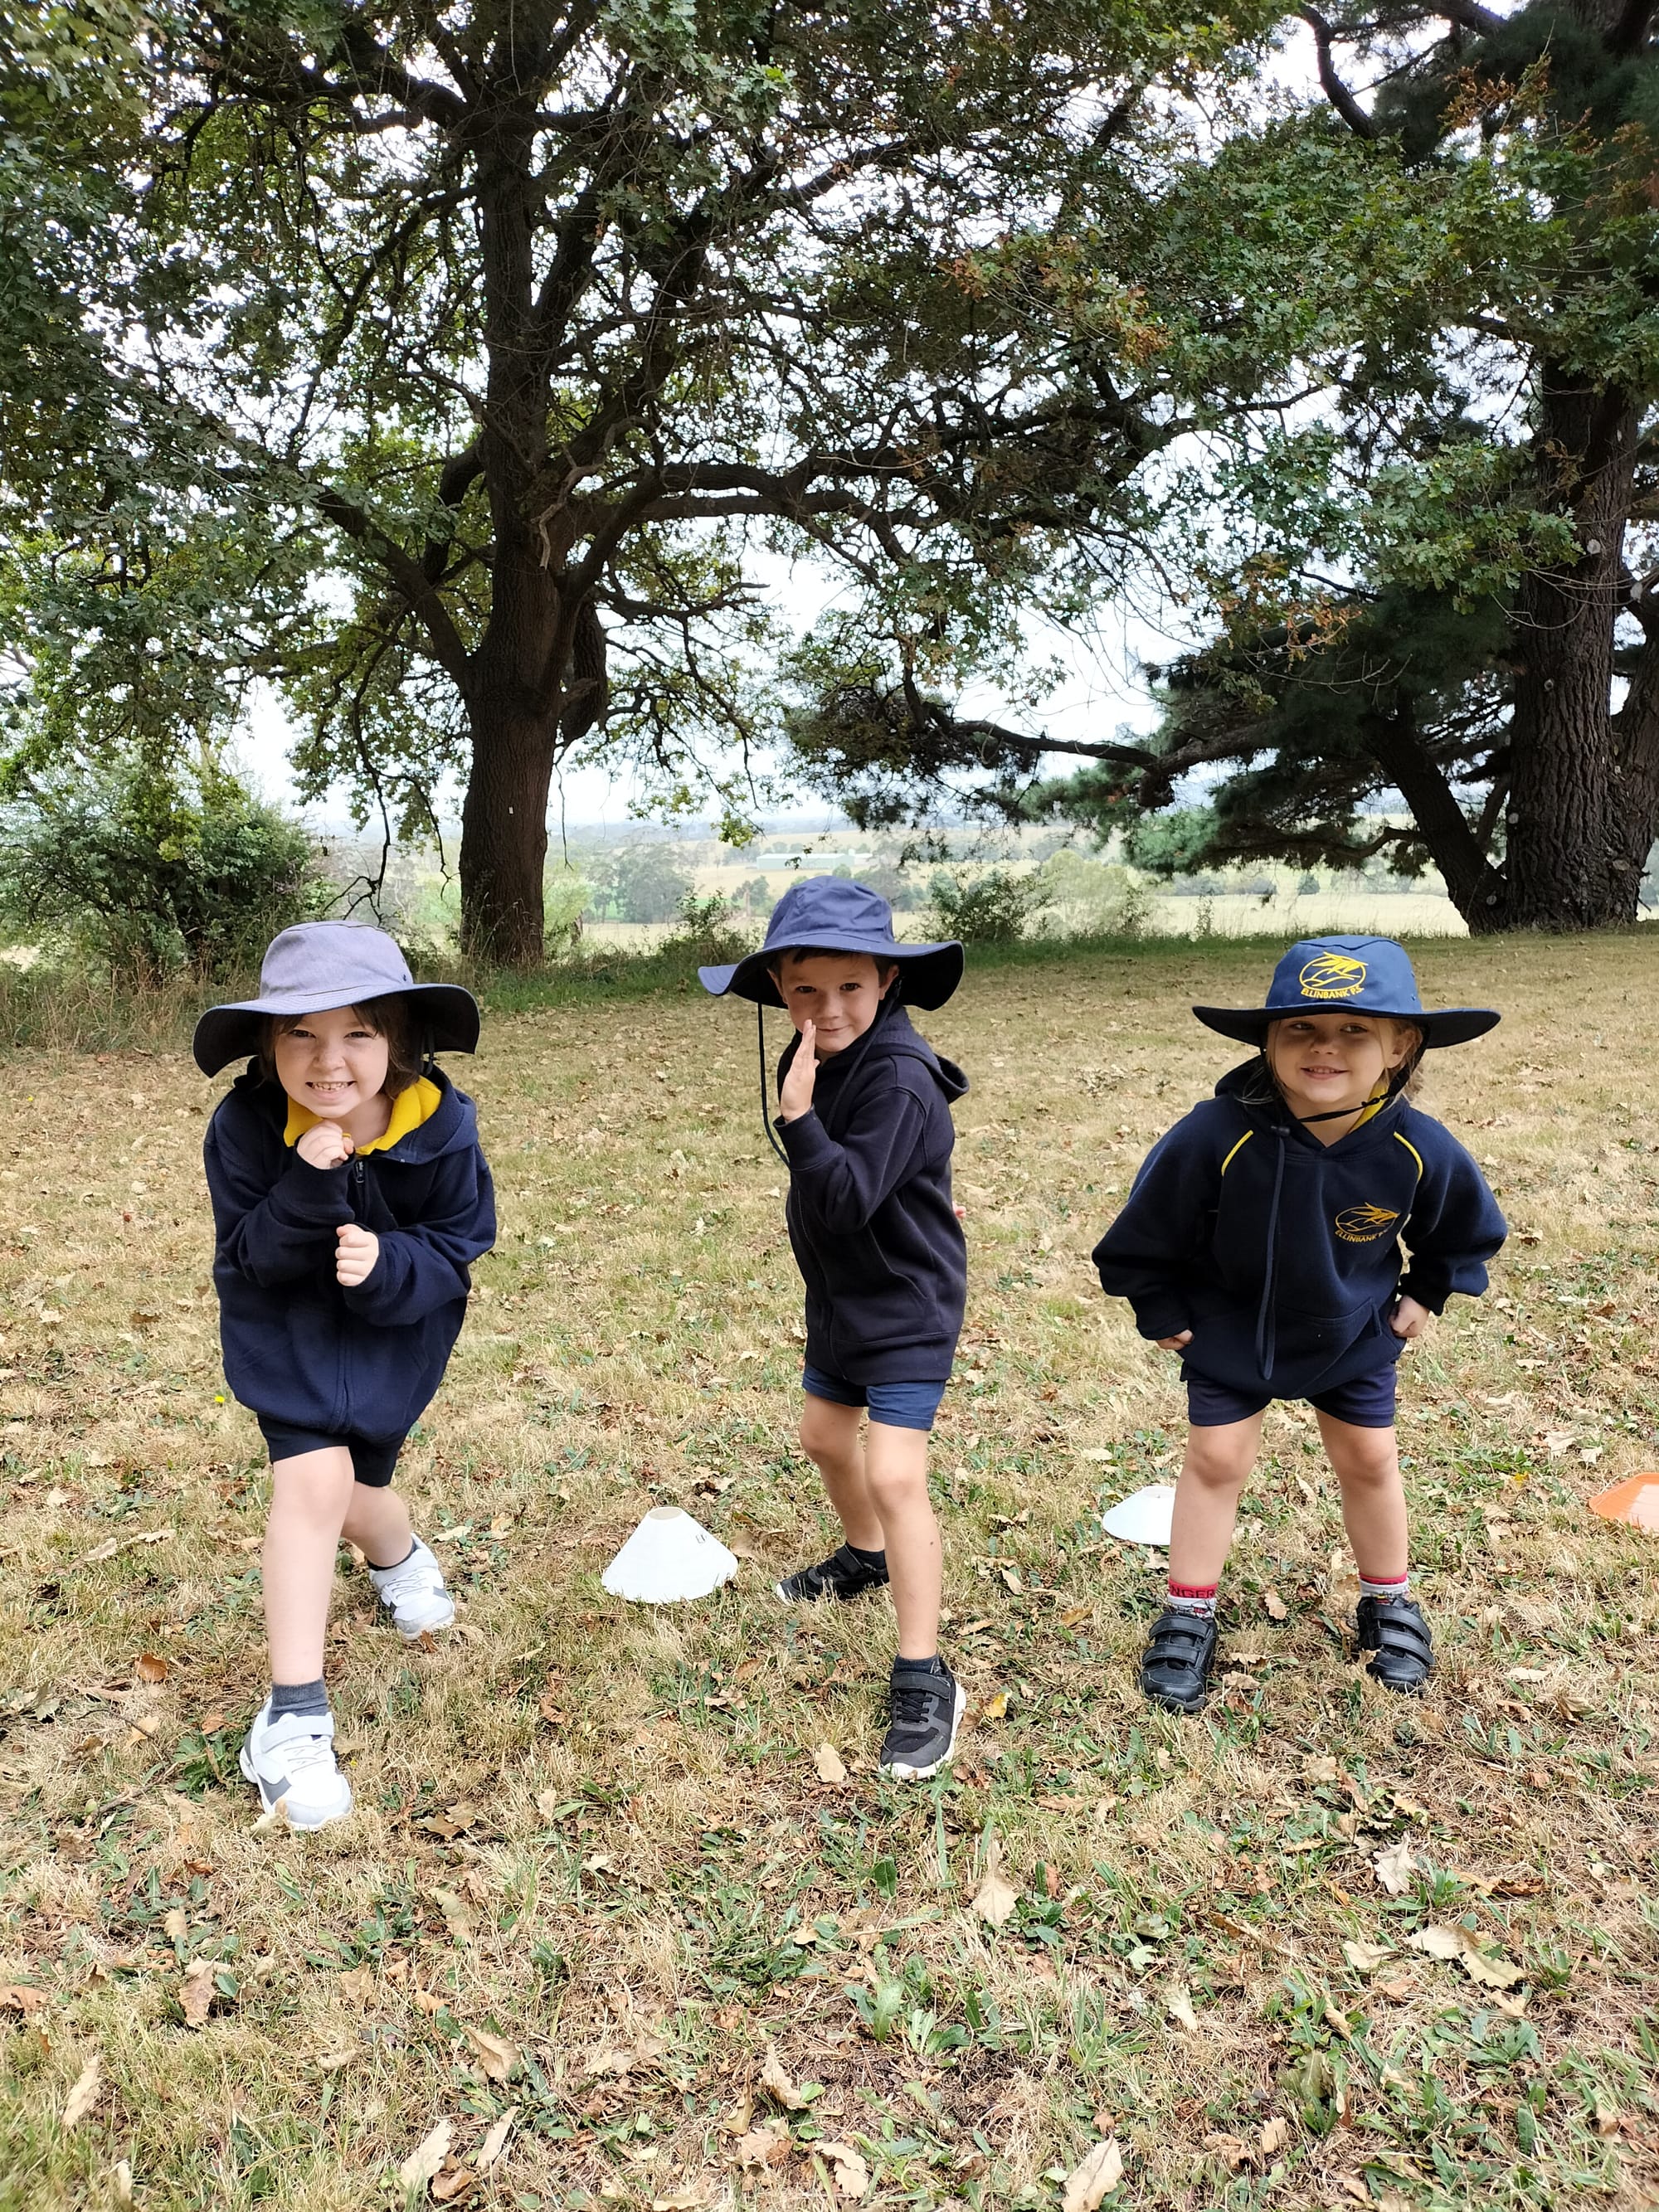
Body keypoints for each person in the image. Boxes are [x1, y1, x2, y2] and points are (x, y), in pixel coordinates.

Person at [1092, 936, 1506, 1711]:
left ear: (1401, 1045)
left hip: (1351, 1332)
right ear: (1267, 1042)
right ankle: (1188, 1611)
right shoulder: (1215, 1133)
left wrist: (1427, 1291)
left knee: (1369, 1459)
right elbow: (1143, 1232)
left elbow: (1464, 1229)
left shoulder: (1418, 1146)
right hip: (1231, 1326)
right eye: (1301, 1028)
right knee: (1216, 1458)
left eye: (1354, 1030)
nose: (1325, 1047)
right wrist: (1159, 1307)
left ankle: (1389, 1601)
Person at [194, 921, 495, 1829]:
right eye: (302, 1034)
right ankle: (290, 1721)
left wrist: (389, 1263)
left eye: (357, 1033)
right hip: (285, 1337)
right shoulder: (244, 1128)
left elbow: (461, 1241)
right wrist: (305, 1182)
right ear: (267, 1045)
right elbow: (248, 1256)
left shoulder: (441, 1127)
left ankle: (398, 1557)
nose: (329, 1061)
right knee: (313, 1483)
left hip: (391, 1345)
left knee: (359, 1494)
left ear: (397, 1040)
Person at [700, 878, 970, 1781]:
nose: (827, 1009)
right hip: (843, 1302)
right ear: (780, 987)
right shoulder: (810, 1050)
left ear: (887, 981)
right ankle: (866, 1555)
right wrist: (805, 1107)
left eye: (850, 987)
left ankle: (924, 1674)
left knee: (894, 1473)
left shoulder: (899, 1079)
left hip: (907, 1306)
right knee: (822, 1436)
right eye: (805, 989)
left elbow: (848, 1196)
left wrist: (800, 1117)